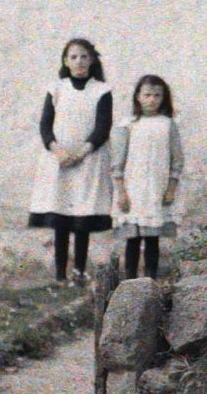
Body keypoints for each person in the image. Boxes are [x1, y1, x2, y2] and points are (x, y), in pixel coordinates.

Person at [27, 37, 114, 286]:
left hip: (88, 160)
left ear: (92, 60)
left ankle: (79, 272)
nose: (79, 61)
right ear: (66, 60)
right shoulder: (56, 88)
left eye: (84, 56)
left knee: (82, 216)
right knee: (62, 216)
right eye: (74, 56)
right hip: (59, 161)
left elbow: (102, 127)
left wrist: (81, 153)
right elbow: (45, 125)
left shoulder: (101, 90)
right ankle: (60, 275)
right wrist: (58, 152)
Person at [111, 74, 184, 281]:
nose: (152, 99)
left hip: (156, 189)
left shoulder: (168, 125)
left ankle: (151, 281)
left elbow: (176, 159)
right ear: (138, 97)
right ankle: (130, 281)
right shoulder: (128, 125)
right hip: (133, 189)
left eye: (157, 95)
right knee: (132, 238)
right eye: (147, 95)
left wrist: (171, 187)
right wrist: (121, 192)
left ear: (163, 98)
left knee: (152, 238)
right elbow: (118, 161)